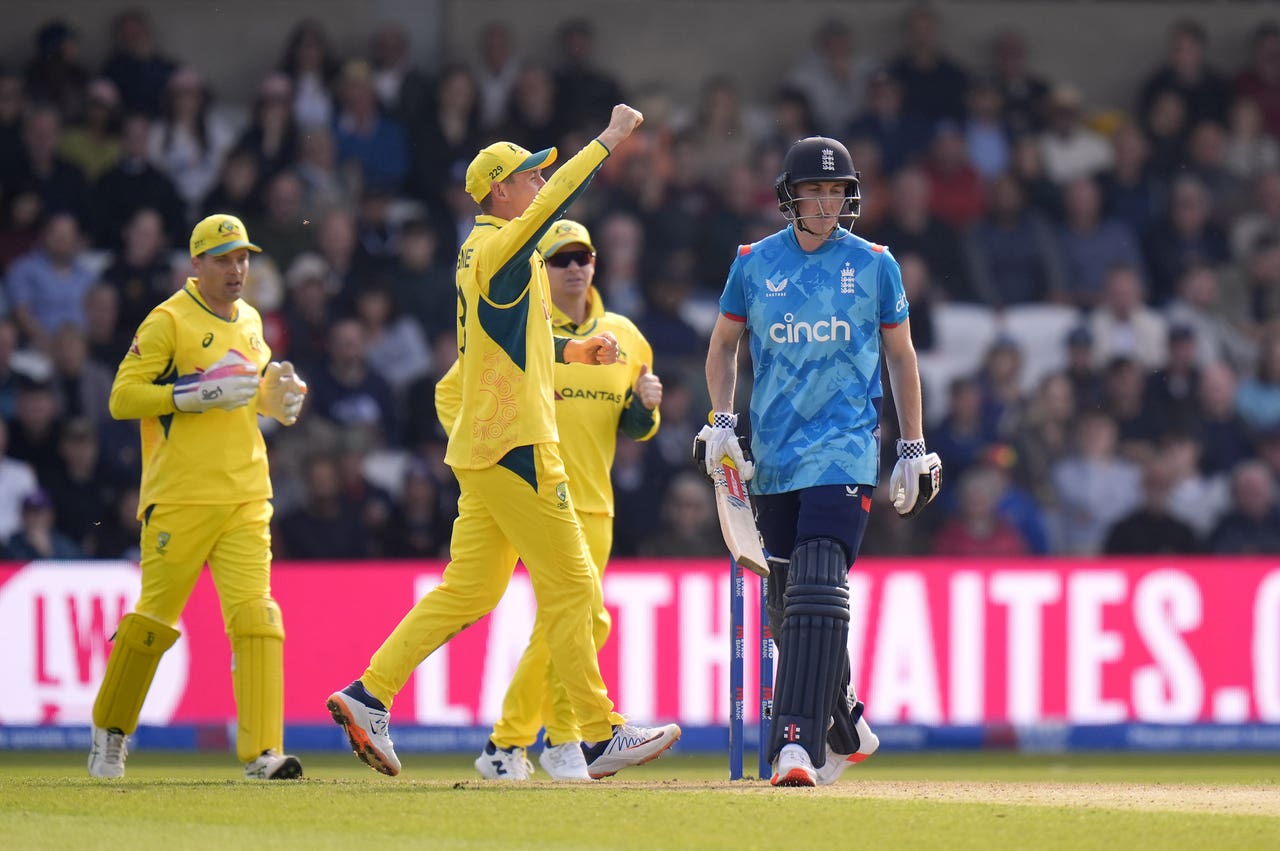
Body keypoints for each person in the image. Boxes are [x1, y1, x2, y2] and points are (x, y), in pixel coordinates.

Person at [326, 106, 681, 782]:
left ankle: (369, 694)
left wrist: (571, 348)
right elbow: (554, 204)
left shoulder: (480, 256)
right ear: (500, 190)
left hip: (481, 448)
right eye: (528, 174)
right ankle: (601, 733)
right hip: (518, 443)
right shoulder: (502, 247)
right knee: (577, 590)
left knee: (469, 591)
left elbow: (509, 345)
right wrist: (607, 140)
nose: (538, 179)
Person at [699, 136, 941, 787]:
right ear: (791, 196)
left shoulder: (875, 263)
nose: (830, 202)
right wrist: (722, 420)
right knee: (788, 601)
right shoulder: (754, 263)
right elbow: (723, 347)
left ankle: (795, 744)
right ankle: (845, 719)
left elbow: (902, 357)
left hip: (846, 449)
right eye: (818, 190)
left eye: (839, 191)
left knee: (814, 579)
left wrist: (912, 445)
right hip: (773, 455)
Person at [435, 219, 663, 780]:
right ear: (541, 267)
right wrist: (482, 457)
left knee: (579, 624)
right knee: (569, 621)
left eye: (582, 256)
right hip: (529, 490)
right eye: (560, 259)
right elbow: (449, 391)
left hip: (593, 503)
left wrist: (645, 408)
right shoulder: (524, 324)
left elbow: (633, 427)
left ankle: (560, 743)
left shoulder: (627, 337)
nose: (574, 268)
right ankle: (512, 744)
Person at [87, 213, 309, 780]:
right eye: (223, 260)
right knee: (153, 622)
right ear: (196, 264)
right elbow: (121, 398)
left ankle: (263, 753)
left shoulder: (253, 320)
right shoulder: (169, 321)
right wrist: (188, 394)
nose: (237, 270)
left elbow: (242, 395)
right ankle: (110, 734)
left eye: (243, 259)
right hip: (180, 497)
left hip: (245, 493)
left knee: (258, 618)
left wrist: (274, 401)